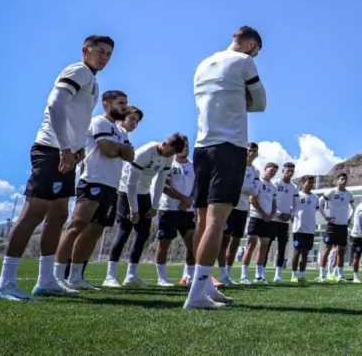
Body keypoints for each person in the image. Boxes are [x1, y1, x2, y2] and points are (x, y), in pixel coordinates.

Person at [0, 35, 113, 301]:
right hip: (51, 150)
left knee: (58, 214)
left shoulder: (92, 79)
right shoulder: (78, 70)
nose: (104, 57)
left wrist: (77, 147)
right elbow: (55, 104)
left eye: (108, 54)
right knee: (33, 212)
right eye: (100, 52)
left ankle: (46, 280)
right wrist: (64, 148)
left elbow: (75, 118)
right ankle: (5, 283)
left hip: (67, 153)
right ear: (85, 50)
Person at [186, 25, 266, 309]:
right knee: (217, 222)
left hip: (202, 148)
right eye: (256, 50)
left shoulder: (203, 63)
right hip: (229, 148)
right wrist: (244, 96)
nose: (256, 55)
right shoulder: (245, 62)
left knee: (203, 221)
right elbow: (261, 103)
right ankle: (196, 295)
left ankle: (204, 285)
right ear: (249, 45)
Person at [55, 90, 134, 291]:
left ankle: (75, 277)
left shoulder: (122, 131)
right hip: (92, 181)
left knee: (95, 231)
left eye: (125, 103)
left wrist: (119, 148)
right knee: (77, 225)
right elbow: (108, 151)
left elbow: (130, 156)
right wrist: (119, 149)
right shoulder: (99, 122)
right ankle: (55, 276)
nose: (124, 107)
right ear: (106, 104)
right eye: (120, 103)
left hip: (112, 186)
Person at [104, 132, 186, 287]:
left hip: (144, 194)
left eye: (173, 154)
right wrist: (133, 209)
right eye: (169, 152)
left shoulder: (169, 157)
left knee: (142, 234)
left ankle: (131, 275)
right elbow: (131, 183)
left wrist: (154, 206)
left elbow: (160, 181)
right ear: (165, 143)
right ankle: (110, 276)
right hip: (126, 192)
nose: (170, 156)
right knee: (124, 231)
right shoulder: (145, 152)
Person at [154, 138, 198, 287]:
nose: (186, 149)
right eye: (183, 146)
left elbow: (197, 186)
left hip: (188, 211)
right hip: (169, 209)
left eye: (188, 146)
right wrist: (184, 199)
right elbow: (164, 187)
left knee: (193, 245)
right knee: (164, 244)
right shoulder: (169, 164)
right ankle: (162, 277)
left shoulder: (193, 166)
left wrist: (190, 200)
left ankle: (188, 276)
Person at [218, 143, 261, 285]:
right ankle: (222, 274)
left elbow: (255, 192)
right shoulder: (235, 165)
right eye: (250, 150)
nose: (252, 153)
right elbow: (233, 184)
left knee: (235, 241)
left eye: (254, 151)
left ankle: (227, 275)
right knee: (225, 240)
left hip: (243, 209)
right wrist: (248, 187)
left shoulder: (256, 171)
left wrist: (244, 187)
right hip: (231, 205)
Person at [240, 162, 277, 284]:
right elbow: (253, 199)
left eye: (275, 171)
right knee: (251, 245)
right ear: (265, 169)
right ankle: (244, 276)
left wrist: (271, 214)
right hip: (256, 217)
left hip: (268, 220)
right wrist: (263, 214)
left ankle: (259, 276)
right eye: (271, 170)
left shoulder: (273, 187)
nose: (272, 173)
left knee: (264, 247)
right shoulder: (258, 182)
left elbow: (273, 203)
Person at [318, 173, 354, 282]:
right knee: (327, 249)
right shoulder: (331, 192)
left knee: (341, 251)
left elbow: (353, 208)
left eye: (346, 179)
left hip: (343, 226)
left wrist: (349, 219)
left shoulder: (349, 194)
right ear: (337, 180)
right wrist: (326, 217)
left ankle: (340, 275)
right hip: (332, 226)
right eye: (342, 179)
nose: (344, 181)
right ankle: (322, 275)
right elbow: (320, 203)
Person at [267, 162, 299, 283]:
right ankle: (261, 273)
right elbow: (270, 200)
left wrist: (291, 214)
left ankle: (277, 275)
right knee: (268, 245)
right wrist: (279, 213)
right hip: (273, 219)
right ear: (283, 171)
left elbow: (296, 204)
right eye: (287, 170)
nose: (289, 173)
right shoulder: (275, 183)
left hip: (284, 222)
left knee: (282, 247)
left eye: (292, 171)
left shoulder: (294, 187)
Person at [290, 177, 320, 283]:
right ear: (303, 184)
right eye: (308, 182)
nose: (310, 184)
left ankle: (302, 275)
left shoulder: (315, 198)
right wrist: (293, 219)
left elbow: (315, 210)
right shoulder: (297, 195)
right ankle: (293, 275)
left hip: (310, 229)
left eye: (312, 183)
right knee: (297, 252)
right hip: (298, 229)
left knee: (305, 253)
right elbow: (291, 210)